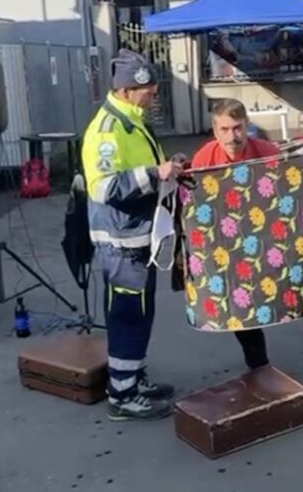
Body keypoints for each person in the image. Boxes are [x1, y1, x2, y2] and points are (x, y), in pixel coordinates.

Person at [82, 49, 182, 421]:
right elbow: (104, 188)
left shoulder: (131, 119)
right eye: (148, 90)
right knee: (127, 316)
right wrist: (155, 173)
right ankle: (121, 396)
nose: (153, 96)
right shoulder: (108, 130)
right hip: (120, 241)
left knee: (141, 313)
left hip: (139, 237)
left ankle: (133, 377)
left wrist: (166, 170)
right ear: (126, 90)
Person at [190, 98, 278, 370]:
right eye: (225, 129)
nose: (232, 136)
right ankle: (259, 364)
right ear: (215, 131)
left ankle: (259, 364)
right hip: (225, 245)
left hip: (262, 239)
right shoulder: (204, 157)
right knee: (239, 306)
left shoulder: (265, 151)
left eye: (237, 128)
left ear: (247, 126)